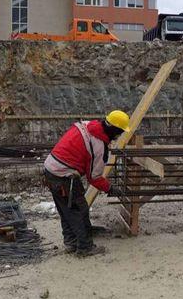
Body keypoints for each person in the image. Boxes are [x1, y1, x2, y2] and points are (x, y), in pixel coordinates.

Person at [43, 110, 130, 257]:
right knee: (78, 210)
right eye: (120, 132)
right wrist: (110, 188)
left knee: (66, 210)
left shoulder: (89, 125)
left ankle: (71, 242)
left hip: (51, 169)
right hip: (64, 175)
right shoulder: (98, 145)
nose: (119, 136)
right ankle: (84, 247)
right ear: (114, 130)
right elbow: (94, 178)